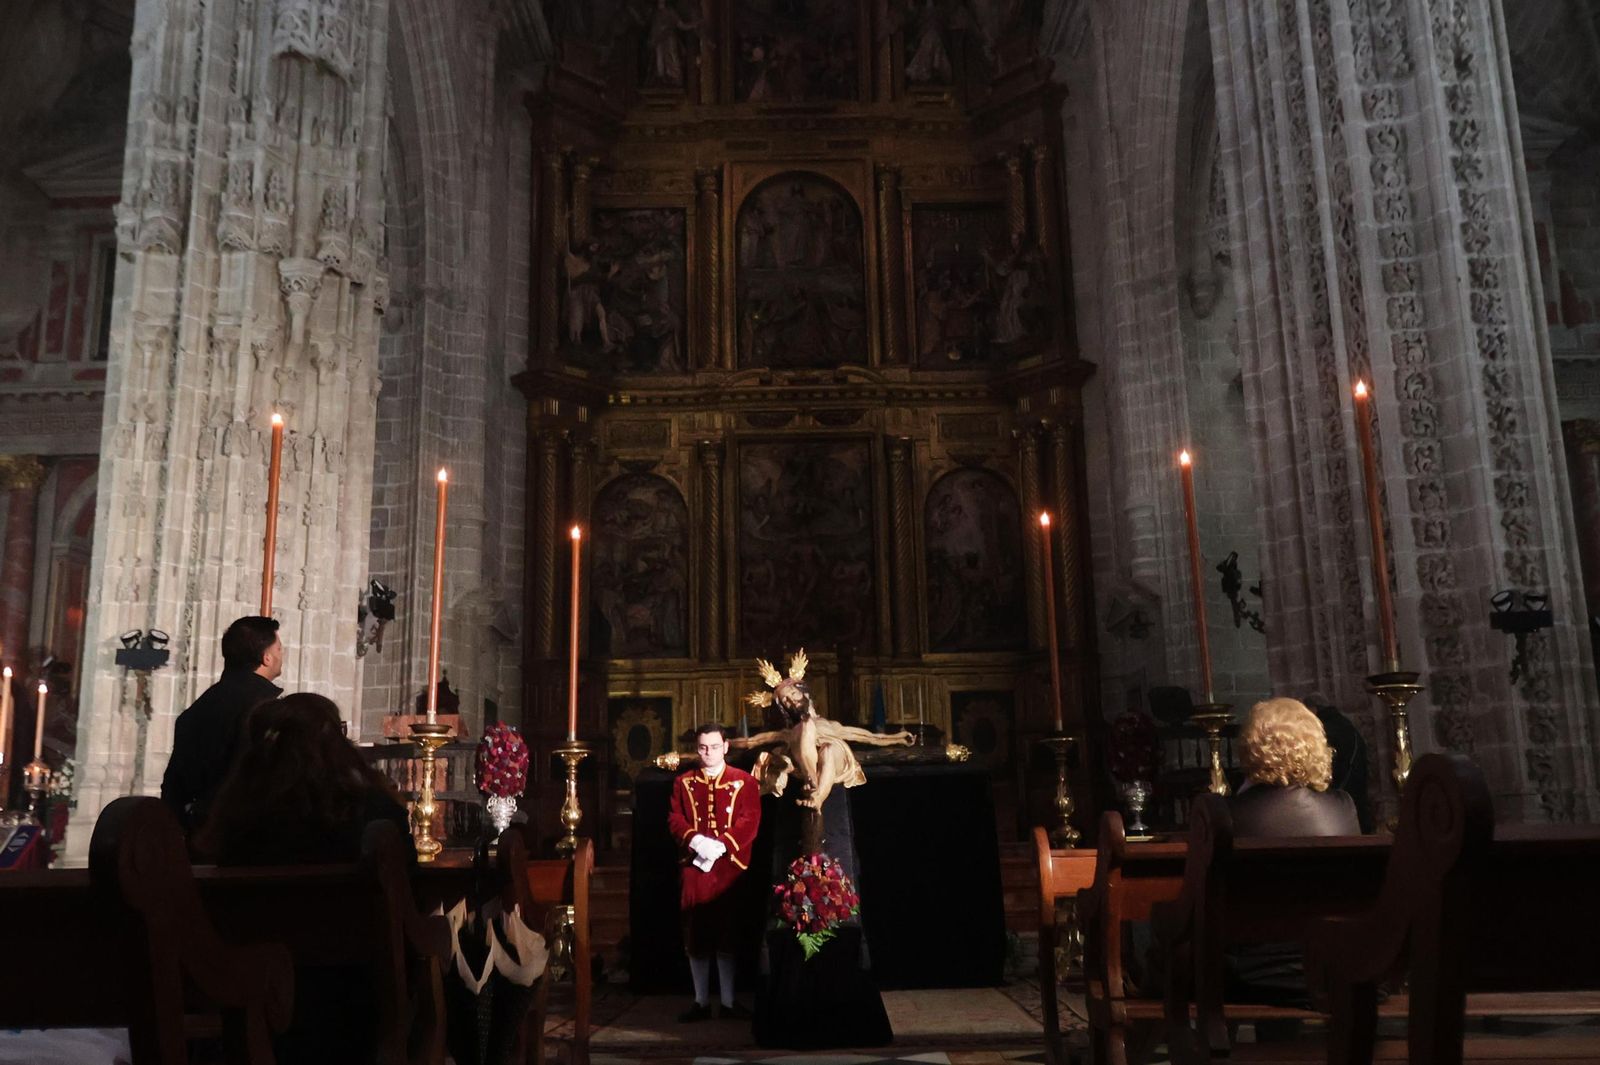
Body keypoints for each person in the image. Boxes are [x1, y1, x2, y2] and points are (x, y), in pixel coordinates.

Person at [196, 692, 414, 1065]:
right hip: (350, 1005)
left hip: (249, 1003)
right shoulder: (370, 814)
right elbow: (410, 902)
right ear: (335, 744)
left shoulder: (235, 820)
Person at [1227, 697, 1360, 1017]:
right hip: (1336, 967)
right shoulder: (1343, 807)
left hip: (1256, 974)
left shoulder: (1226, 816)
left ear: (1250, 748)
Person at [666, 722, 761, 1023]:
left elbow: (750, 819)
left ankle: (730, 1002)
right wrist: (695, 839)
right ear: (697, 748)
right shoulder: (683, 782)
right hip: (695, 867)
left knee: (728, 933)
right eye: (703, 747)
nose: (709, 753)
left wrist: (722, 845)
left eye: (715, 747)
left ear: (726, 747)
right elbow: (675, 819)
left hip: (730, 867)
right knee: (696, 934)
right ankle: (701, 1001)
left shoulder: (744, 781)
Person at [160, 615, 284, 832]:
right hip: (243, 833)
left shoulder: (198, 709)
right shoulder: (265, 710)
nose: (282, 656)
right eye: (279, 650)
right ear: (267, 658)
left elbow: (174, 785)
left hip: (195, 828)